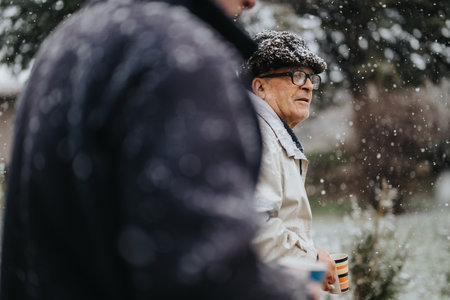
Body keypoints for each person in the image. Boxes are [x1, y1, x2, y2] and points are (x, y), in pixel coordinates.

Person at [0, 1, 312, 299]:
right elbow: (203, 276)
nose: (251, 2)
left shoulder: (66, 43)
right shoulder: (181, 57)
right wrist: (292, 290)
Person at [242, 30, 336, 291]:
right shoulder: (257, 134)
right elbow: (255, 227)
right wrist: (312, 260)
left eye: (310, 78)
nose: (307, 85)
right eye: (295, 75)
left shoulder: (273, 134)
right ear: (260, 87)